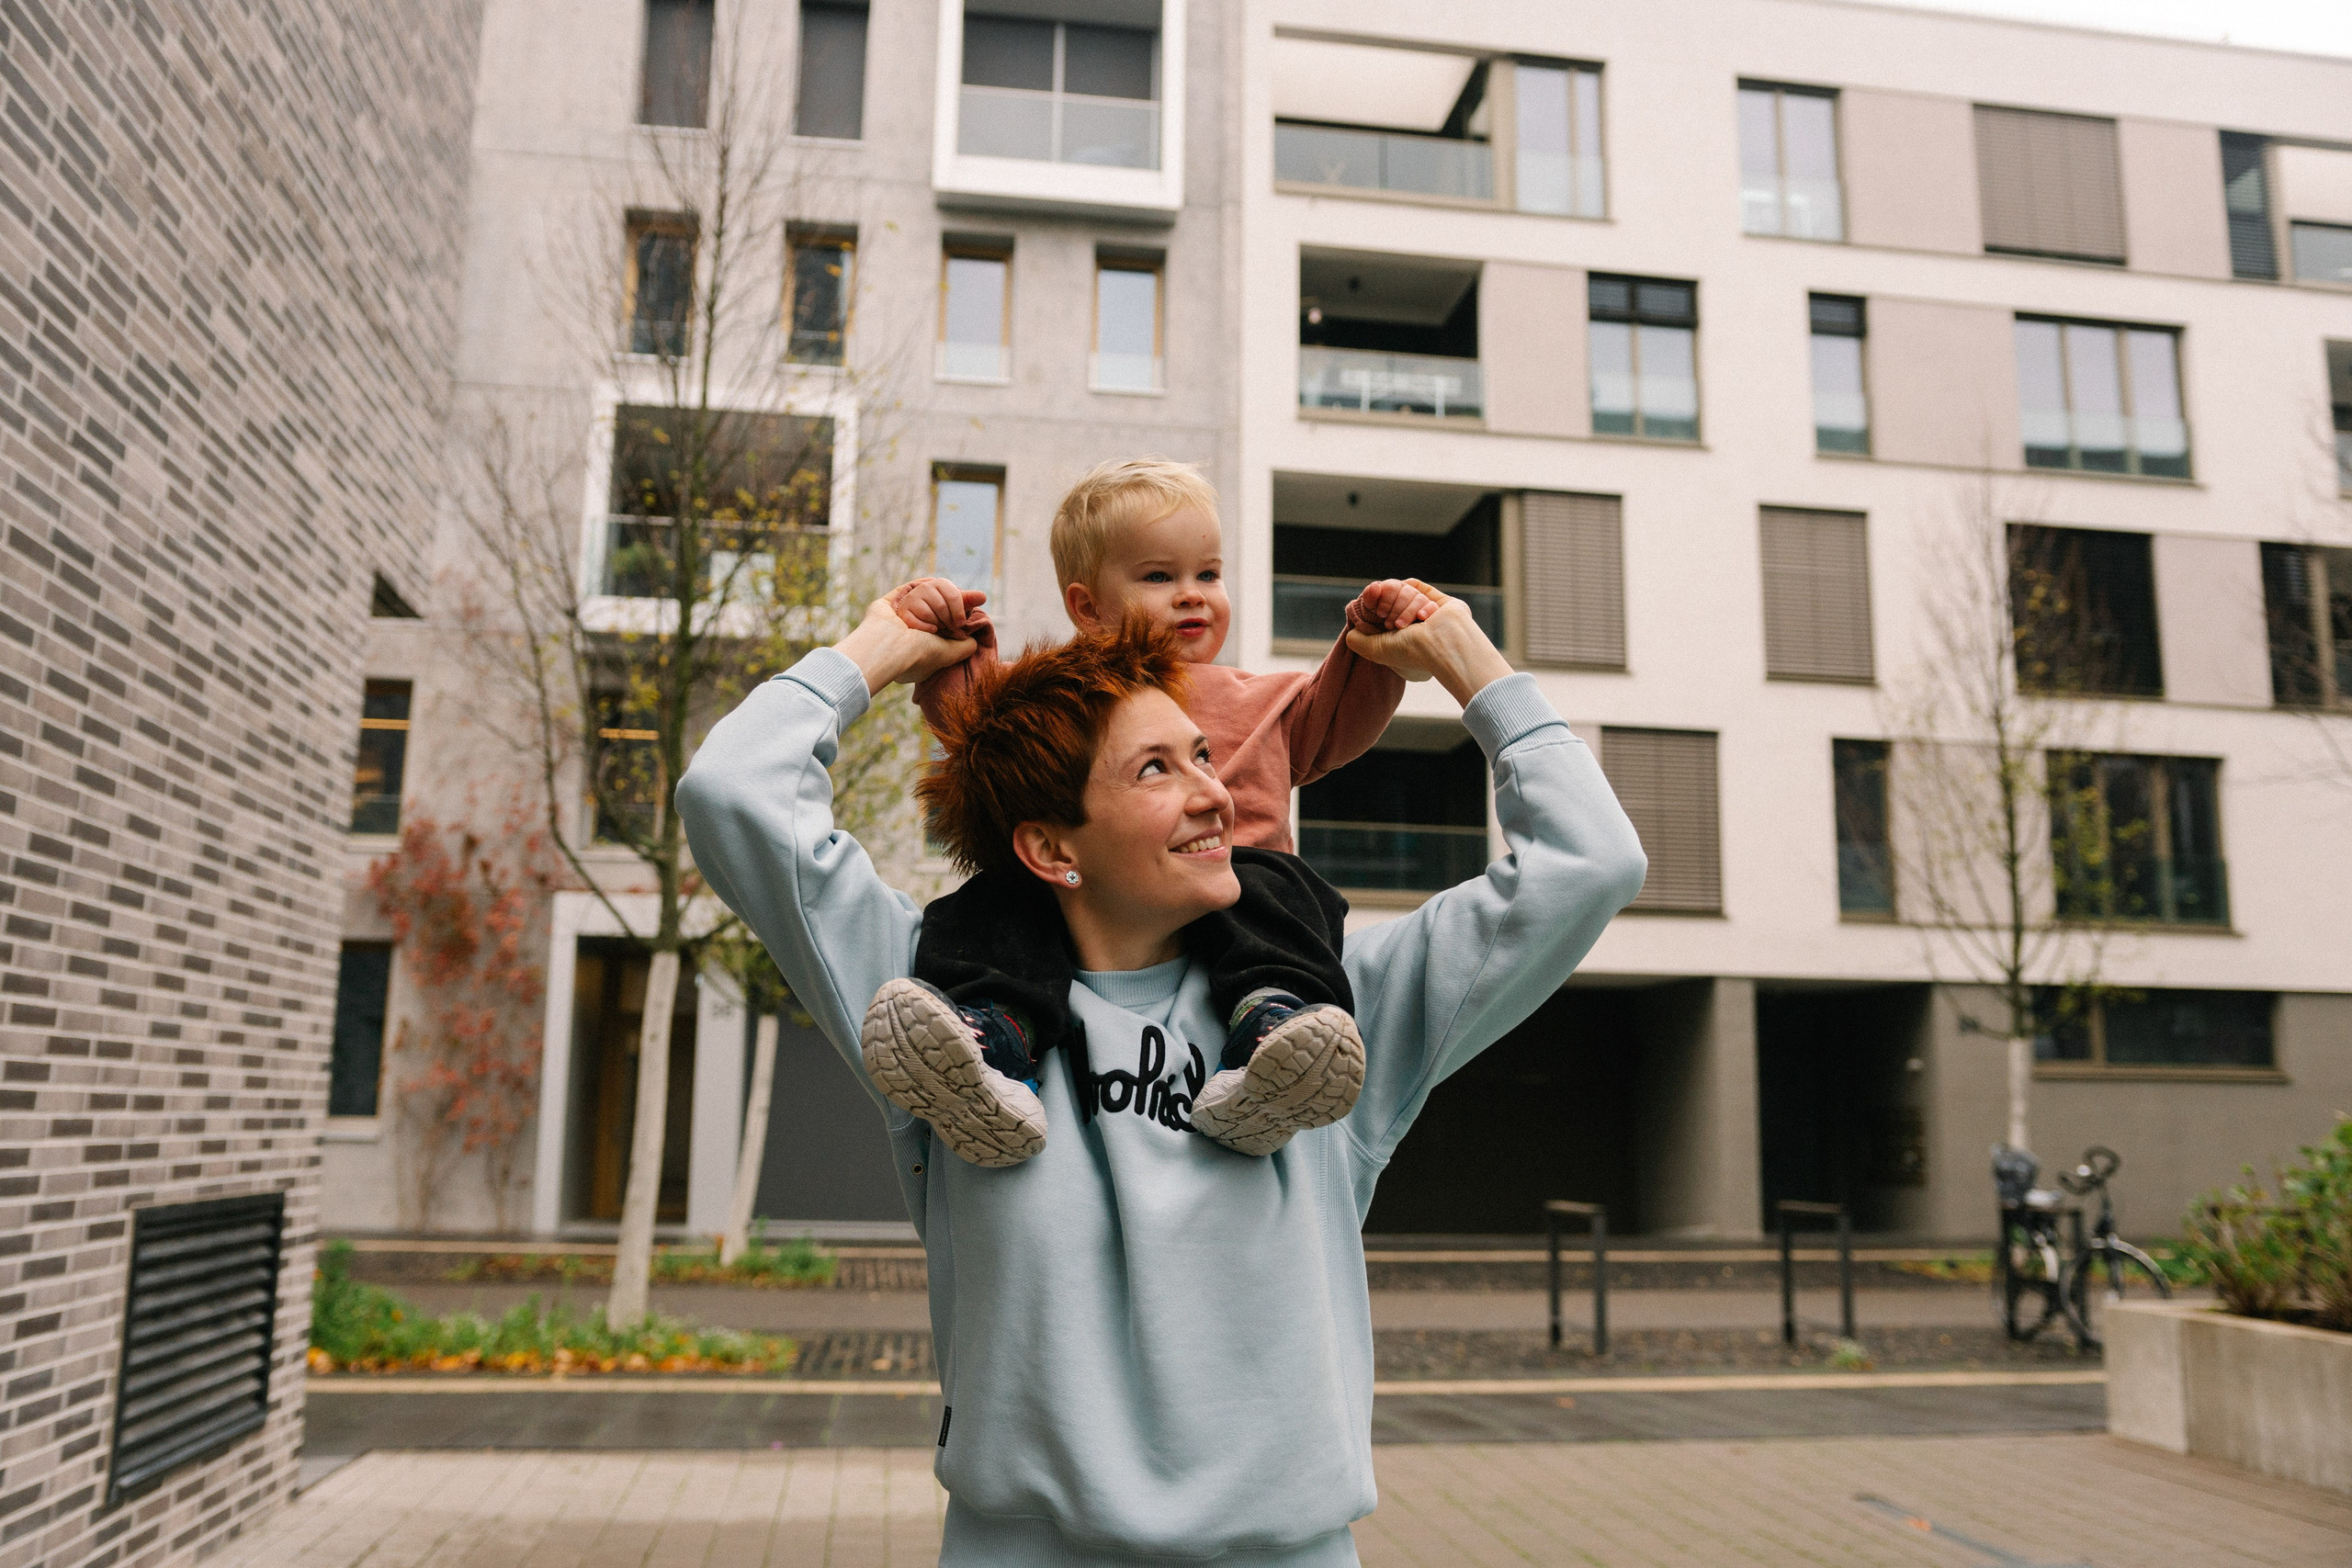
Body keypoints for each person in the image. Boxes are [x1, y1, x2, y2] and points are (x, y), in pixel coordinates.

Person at [676, 589, 1646, 1566]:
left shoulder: (1329, 1015)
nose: (1213, 793)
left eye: (1202, 757)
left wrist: (1469, 662)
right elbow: (733, 793)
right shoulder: (934, 1015)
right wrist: (874, 649)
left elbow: (1591, 859)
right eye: (1155, 768)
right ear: (1052, 848)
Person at [865, 456, 1439, 1168]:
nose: (1192, 596)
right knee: (993, 903)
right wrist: (940, 637)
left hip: (1235, 879)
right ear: (1087, 608)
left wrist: (1375, 645)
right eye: (1159, 577)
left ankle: (1272, 1033)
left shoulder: (1265, 697)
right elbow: (987, 727)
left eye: (1209, 574)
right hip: (1095, 897)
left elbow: (1338, 715)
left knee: (1290, 897)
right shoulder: (1073, 699)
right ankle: (992, 1039)